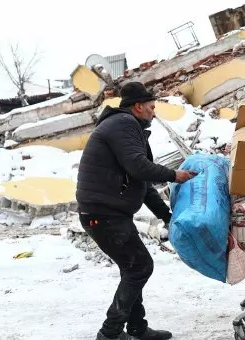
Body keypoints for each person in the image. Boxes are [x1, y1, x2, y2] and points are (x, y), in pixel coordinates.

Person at [76, 82, 197, 340]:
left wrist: (167, 216)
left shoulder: (127, 127)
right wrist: (175, 175)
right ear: (138, 106)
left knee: (132, 267)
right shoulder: (123, 124)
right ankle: (109, 334)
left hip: (109, 214)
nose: (154, 112)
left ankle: (137, 329)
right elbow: (140, 168)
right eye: (152, 107)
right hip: (103, 214)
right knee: (139, 267)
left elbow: (141, 182)